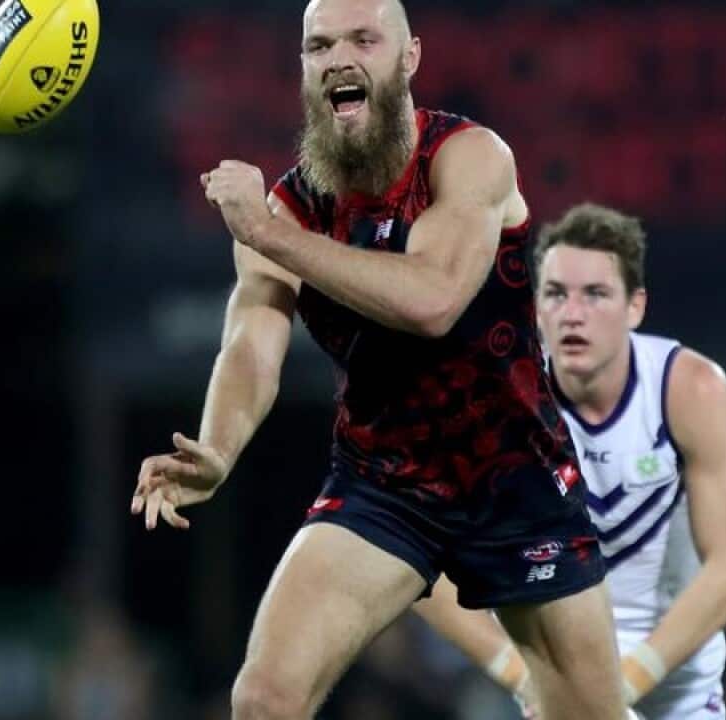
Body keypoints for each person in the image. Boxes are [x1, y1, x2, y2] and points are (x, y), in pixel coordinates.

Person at [130, 1, 627, 718]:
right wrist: (216, 448)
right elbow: (249, 347)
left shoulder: (469, 157)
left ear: (408, 57)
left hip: (517, 479)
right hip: (386, 483)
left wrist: (271, 237)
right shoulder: (287, 212)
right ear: (303, 68)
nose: (340, 57)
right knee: (264, 699)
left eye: (364, 39)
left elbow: (433, 301)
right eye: (318, 44)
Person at [414, 203, 726, 719]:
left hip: (677, 693)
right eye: (557, 294)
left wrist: (618, 688)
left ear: (636, 307)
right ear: (536, 307)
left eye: (596, 294)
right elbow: (414, 563)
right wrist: (522, 676)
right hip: (550, 684)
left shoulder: (689, 390)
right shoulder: (496, 401)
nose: (573, 314)